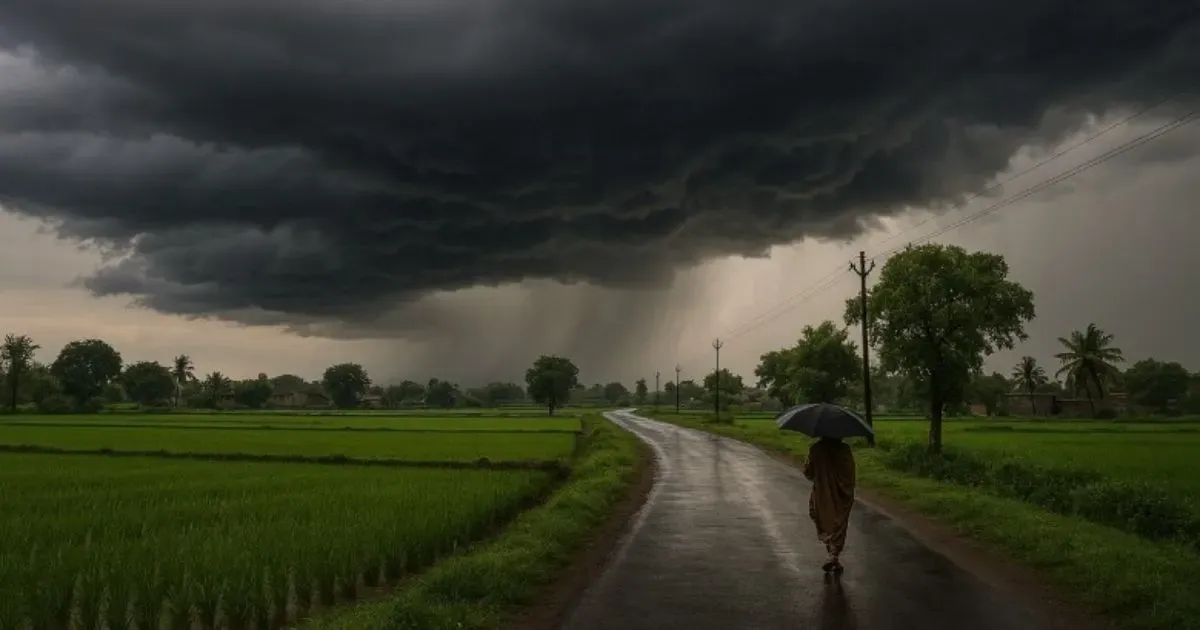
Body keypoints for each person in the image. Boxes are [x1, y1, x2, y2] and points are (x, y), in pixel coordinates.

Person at [802, 435, 857, 572]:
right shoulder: (844, 449)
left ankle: (832, 555)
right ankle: (834, 555)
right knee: (839, 524)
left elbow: (808, 473)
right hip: (842, 494)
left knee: (824, 520)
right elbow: (850, 472)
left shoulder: (816, 449)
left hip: (822, 493)